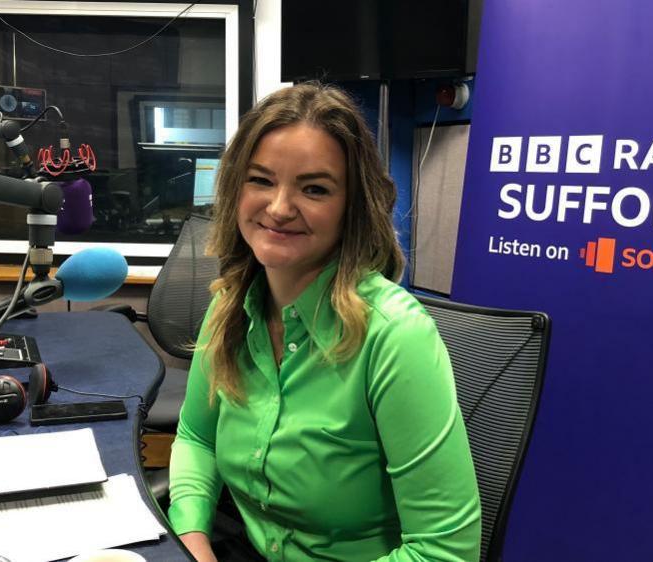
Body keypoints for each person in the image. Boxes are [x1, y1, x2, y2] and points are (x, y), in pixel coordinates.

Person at [167, 82, 481, 562]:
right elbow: (196, 438)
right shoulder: (231, 301)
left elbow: (445, 552)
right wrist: (193, 541)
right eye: (261, 180)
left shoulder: (395, 336)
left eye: (314, 188)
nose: (278, 207)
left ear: (351, 207)